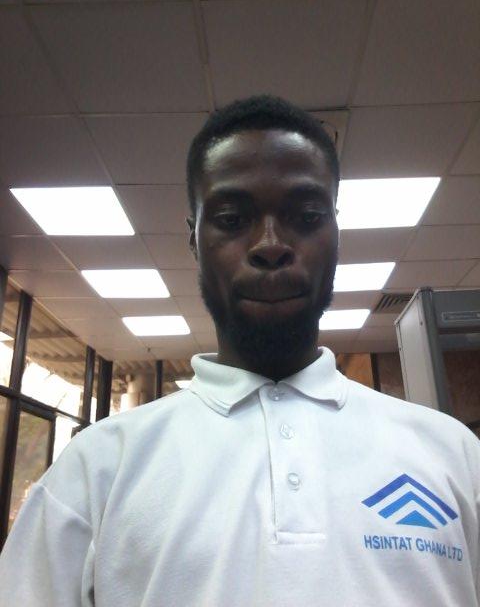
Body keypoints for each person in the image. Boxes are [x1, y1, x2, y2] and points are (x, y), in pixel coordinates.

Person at [0, 95, 478, 606]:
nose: (270, 244)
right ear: (194, 239)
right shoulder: (98, 468)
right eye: (231, 219)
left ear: (336, 232)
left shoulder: (453, 455)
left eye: (307, 215)